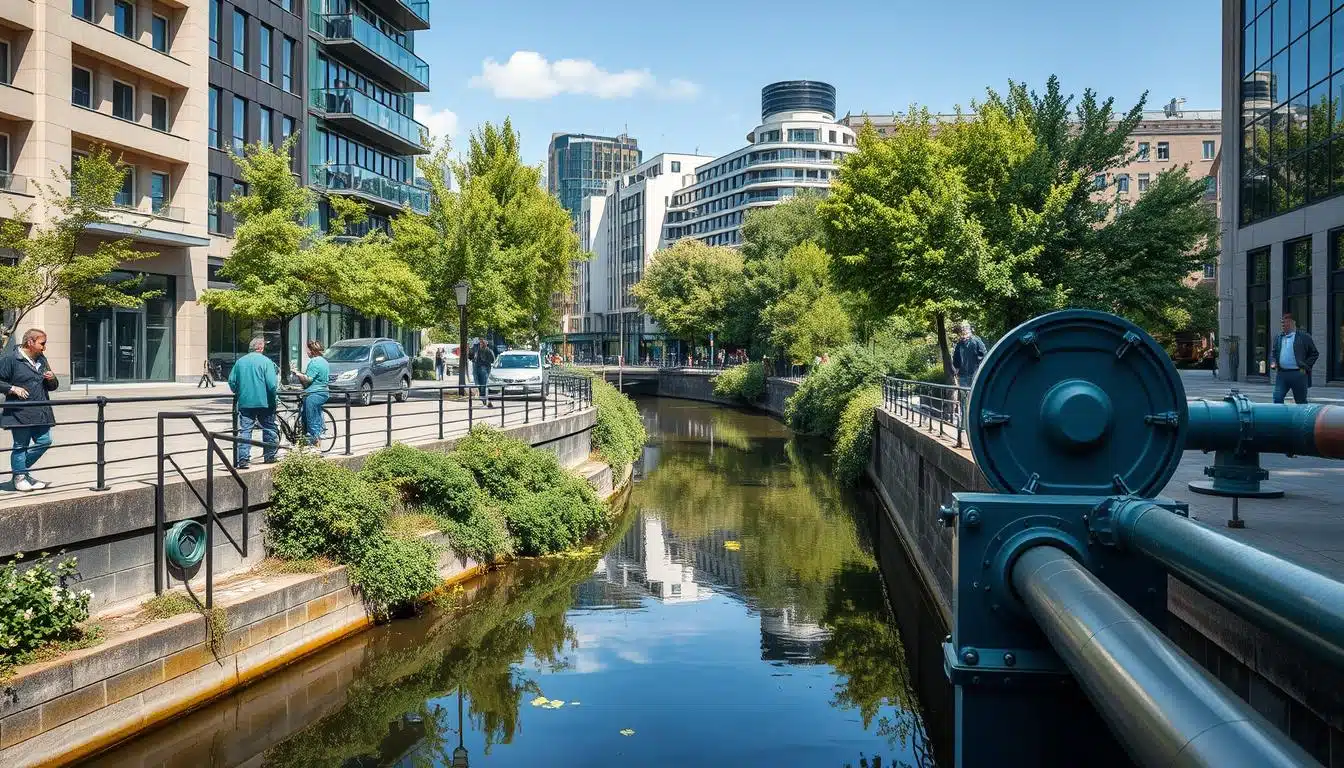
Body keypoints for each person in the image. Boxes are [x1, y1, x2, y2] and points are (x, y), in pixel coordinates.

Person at [0, 329, 60, 492]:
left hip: (41, 410)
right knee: (21, 445)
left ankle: (20, 473)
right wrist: (12, 388)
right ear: (30, 342)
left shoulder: (41, 359)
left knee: (45, 441)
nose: (44, 347)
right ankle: (20, 477)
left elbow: (53, 386)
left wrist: (52, 378)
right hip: (19, 410)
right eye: (42, 343)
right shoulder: (11, 359)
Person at [228, 337, 279, 468]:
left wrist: (239, 392)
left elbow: (232, 382)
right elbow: (272, 385)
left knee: (245, 430)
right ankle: (269, 456)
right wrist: (274, 397)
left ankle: (243, 459)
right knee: (268, 428)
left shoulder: (240, 362)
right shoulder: (266, 362)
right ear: (261, 348)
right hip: (265, 402)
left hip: (245, 401)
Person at [1270, 312, 1319, 404]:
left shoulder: (1304, 337)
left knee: (1301, 401)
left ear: (1293, 323)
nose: (1283, 325)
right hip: (1282, 374)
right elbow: (1274, 352)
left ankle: (1303, 418)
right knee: (1277, 398)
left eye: (1285, 323)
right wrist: (1273, 362)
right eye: (1282, 323)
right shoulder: (1278, 337)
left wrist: (1306, 366)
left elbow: (1314, 353)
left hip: (1298, 373)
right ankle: (1280, 418)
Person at [290, 340, 330, 446]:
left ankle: (315, 442)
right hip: (323, 392)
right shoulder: (324, 361)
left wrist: (297, 373)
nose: (306, 352)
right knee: (315, 414)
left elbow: (308, 380)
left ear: (312, 350)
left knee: (310, 417)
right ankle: (316, 438)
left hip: (314, 393)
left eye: (307, 349)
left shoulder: (314, 362)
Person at [951, 322, 988, 388]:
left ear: (970, 331)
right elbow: (956, 359)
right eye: (963, 332)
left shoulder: (976, 341)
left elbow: (984, 355)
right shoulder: (959, 344)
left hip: (975, 374)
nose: (964, 334)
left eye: (966, 332)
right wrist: (956, 369)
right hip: (963, 375)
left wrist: (980, 369)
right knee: (966, 396)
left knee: (973, 394)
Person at [469, 338, 496, 408]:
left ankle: (485, 401)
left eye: (483, 343)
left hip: (484, 368)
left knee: (483, 386)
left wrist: (485, 362)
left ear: (486, 344)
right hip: (476, 368)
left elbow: (493, 360)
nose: (481, 344)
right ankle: (484, 401)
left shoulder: (489, 351)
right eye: (480, 343)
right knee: (478, 385)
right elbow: (470, 357)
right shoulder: (476, 350)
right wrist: (470, 351)